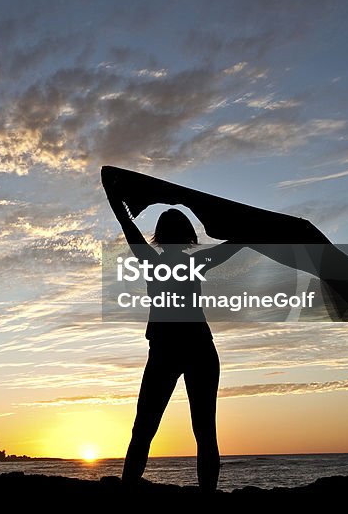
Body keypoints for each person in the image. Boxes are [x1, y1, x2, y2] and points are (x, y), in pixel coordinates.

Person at [102, 169, 243, 492]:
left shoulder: (156, 261)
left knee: (148, 429)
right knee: (200, 430)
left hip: (178, 349)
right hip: (188, 349)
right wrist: (254, 226)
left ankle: (129, 490)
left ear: (162, 235)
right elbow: (237, 243)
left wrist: (113, 196)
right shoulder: (193, 262)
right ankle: (203, 494)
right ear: (188, 235)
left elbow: (127, 225)